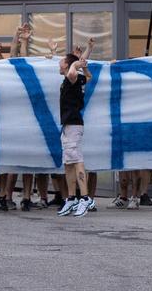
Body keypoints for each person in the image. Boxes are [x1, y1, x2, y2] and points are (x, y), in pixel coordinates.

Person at [57, 39, 94, 217]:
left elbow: (74, 70)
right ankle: (71, 198)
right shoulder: (77, 78)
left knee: (77, 160)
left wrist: (77, 62)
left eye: (61, 61)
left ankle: (85, 198)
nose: (59, 63)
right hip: (68, 125)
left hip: (73, 125)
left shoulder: (71, 78)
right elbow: (87, 75)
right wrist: (87, 52)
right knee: (68, 164)